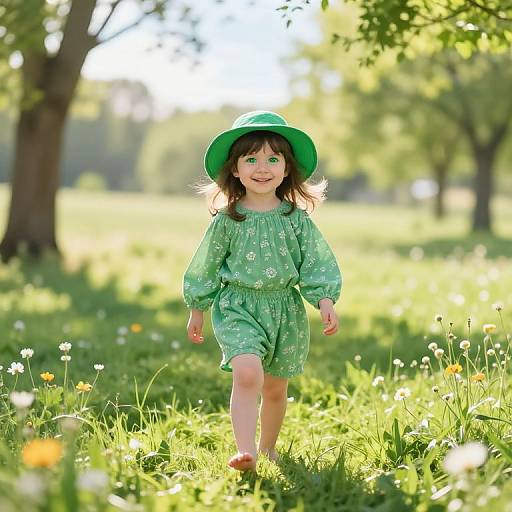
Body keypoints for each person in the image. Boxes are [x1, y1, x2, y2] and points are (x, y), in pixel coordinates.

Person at [183, 111, 342, 472]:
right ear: (235, 169)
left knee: (274, 389)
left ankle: (268, 449)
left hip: (285, 309)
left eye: (273, 158)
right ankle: (246, 452)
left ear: (287, 169)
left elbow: (316, 263)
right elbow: (205, 265)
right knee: (249, 375)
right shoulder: (228, 220)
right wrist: (197, 307)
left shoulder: (296, 219)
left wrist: (325, 299)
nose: (262, 167)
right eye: (250, 158)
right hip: (238, 305)